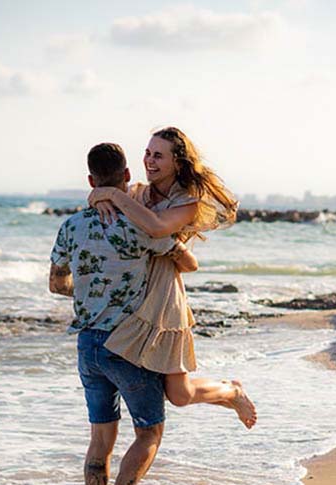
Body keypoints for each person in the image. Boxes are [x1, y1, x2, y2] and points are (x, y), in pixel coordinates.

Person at [49, 142, 197, 485]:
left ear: (91, 181)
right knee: (149, 431)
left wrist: (90, 291)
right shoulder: (137, 227)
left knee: (100, 440)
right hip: (128, 343)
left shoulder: (71, 227)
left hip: (88, 345)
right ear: (128, 175)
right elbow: (186, 262)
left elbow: (57, 284)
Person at [86, 126, 257, 429]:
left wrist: (109, 193)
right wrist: (97, 197)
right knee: (135, 380)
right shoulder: (136, 192)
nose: (149, 161)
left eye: (159, 156)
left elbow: (156, 226)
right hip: (132, 300)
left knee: (179, 394)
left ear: (177, 162)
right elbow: (101, 204)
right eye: (148, 153)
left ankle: (232, 390)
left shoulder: (186, 202)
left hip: (164, 300)